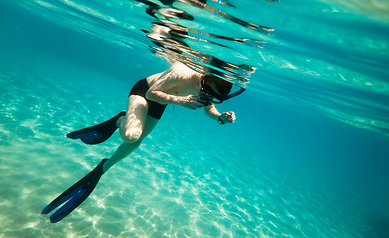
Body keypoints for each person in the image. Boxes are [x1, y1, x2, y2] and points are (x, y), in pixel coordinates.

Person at [41, 61, 245, 223]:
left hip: (163, 102)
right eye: (207, 93)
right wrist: (181, 101)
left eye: (213, 97)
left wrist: (221, 118)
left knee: (136, 142)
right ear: (205, 79)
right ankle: (121, 119)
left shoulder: (211, 88)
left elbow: (208, 108)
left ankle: (103, 168)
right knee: (131, 136)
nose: (206, 97)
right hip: (145, 92)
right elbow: (151, 93)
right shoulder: (182, 71)